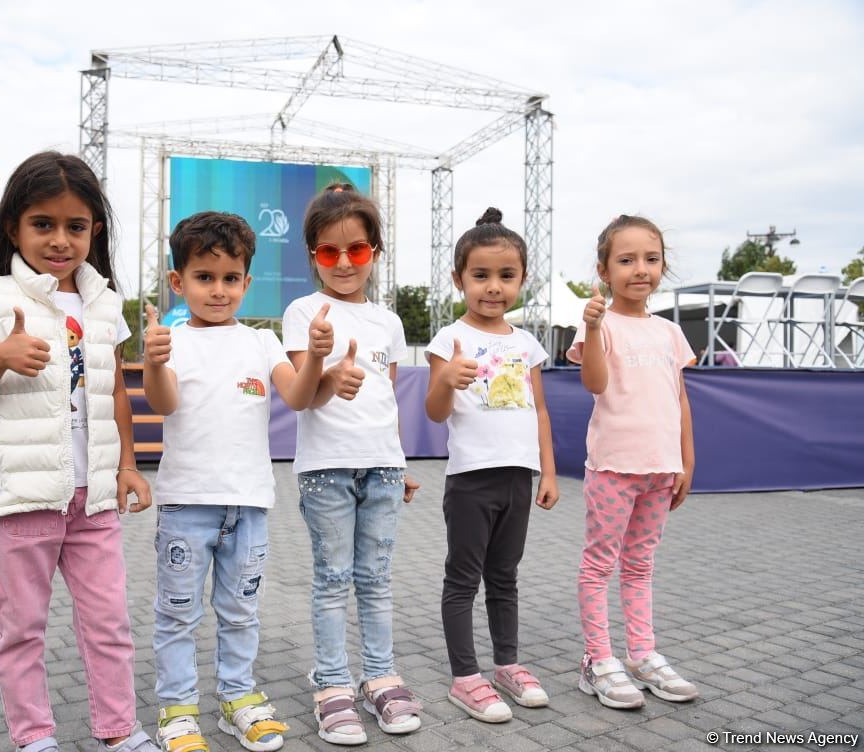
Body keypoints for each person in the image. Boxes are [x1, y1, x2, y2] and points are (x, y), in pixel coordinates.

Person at [0, 151, 160, 752]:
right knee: (21, 632)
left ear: (96, 231)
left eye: (77, 226)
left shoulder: (104, 303)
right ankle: (34, 738)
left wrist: (127, 466)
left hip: (92, 499)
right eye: (44, 224)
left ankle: (120, 731)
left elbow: (115, 387)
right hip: (17, 497)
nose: (61, 240)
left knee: (110, 624)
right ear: (14, 226)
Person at [142, 211, 330, 752]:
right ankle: (177, 710)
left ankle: (237, 698)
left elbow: (297, 397)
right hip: (186, 506)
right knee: (177, 615)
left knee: (241, 611)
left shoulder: (264, 343)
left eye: (230, 279)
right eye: (204, 277)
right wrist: (153, 363)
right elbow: (164, 403)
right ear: (179, 282)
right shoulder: (172, 341)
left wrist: (316, 358)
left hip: (248, 506)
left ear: (247, 282)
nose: (218, 290)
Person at [281, 184, 423, 746]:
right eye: (329, 252)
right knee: (333, 580)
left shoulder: (388, 322)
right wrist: (322, 362)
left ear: (375, 252)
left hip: (383, 468)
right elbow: (301, 393)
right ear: (313, 254)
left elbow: (386, 398)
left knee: (377, 580)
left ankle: (380, 675)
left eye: (357, 250)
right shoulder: (302, 312)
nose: (343, 263)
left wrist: (402, 460)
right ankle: (333, 684)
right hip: (326, 471)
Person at [424, 208, 559, 723]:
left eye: (506, 276)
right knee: (463, 579)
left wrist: (547, 471)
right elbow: (435, 414)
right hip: (470, 481)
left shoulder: (527, 343)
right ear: (459, 279)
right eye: (480, 275)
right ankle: (465, 677)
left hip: (518, 479)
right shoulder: (448, 339)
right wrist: (446, 380)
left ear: (523, 279)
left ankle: (508, 664)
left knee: (505, 577)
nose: (493, 287)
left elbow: (540, 410)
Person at [567, 214, 699, 709]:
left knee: (640, 565)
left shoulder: (669, 333)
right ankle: (598, 660)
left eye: (650, 258)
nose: (639, 269)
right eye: (626, 260)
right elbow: (594, 383)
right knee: (600, 564)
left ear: (663, 265)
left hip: (661, 469)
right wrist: (594, 327)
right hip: (613, 467)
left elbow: (680, 399)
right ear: (604, 269)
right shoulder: (602, 324)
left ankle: (642, 654)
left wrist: (685, 460)